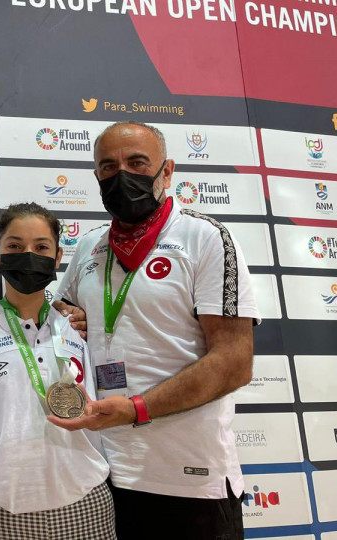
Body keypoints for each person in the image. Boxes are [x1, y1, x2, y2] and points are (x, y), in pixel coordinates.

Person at [49, 121, 258, 539]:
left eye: (137, 163)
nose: (122, 175)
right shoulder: (90, 246)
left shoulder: (205, 238)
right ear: (97, 176)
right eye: (108, 167)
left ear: (167, 171)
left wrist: (136, 409)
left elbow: (234, 362)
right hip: (106, 477)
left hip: (190, 483)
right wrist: (68, 317)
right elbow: (57, 309)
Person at [0, 202, 115, 540]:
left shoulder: (78, 327)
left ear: (58, 256)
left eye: (41, 247)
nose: (28, 255)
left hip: (86, 500)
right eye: (15, 246)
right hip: (6, 506)